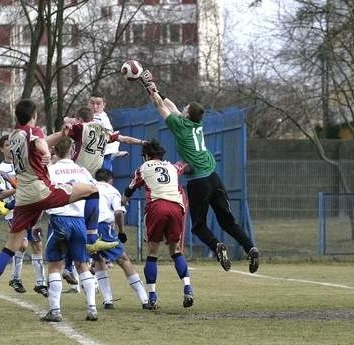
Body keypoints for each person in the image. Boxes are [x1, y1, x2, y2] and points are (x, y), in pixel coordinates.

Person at [0, 99, 98, 316]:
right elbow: (40, 143)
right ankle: (92, 233)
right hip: (42, 191)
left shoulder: (13, 136)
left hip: (23, 197)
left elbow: (41, 140)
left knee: (10, 247)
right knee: (90, 189)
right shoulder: (33, 131)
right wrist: (44, 151)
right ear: (33, 115)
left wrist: (61, 134)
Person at [140, 71, 259, 273]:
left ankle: (216, 246)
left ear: (187, 114)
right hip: (214, 176)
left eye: (185, 109)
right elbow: (172, 107)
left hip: (198, 182)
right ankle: (251, 248)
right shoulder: (196, 124)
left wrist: (147, 85)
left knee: (198, 226)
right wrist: (156, 87)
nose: (182, 109)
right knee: (227, 221)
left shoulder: (181, 126)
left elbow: (161, 106)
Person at [122, 140, 194, 309]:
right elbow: (188, 166)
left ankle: (152, 296)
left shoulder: (143, 168)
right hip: (176, 207)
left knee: (153, 252)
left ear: (146, 155)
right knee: (175, 250)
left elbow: (130, 189)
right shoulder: (173, 167)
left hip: (157, 207)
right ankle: (188, 288)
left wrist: (123, 200)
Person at [67, 106, 144, 253]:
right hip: (91, 178)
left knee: (74, 213)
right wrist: (142, 142)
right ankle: (91, 238)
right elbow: (124, 139)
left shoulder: (80, 127)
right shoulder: (103, 131)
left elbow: (66, 131)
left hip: (76, 175)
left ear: (80, 119)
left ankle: (79, 248)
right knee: (92, 201)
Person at [40, 136, 99, 322]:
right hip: (78, 221)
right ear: (73, 151)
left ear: (54, 151)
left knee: (54, 266)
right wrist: (91, 226)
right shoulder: (82, 171)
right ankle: (92, 308)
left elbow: (41, 195)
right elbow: (94, 194)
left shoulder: (50, 170)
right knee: (82, 265)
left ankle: (55, 311)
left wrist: (35, 222)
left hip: (59, 220)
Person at [0, 135, 48, 297]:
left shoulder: (23, 163)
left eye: (12, 145)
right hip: (14, 212)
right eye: (7, 145)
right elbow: (1, 195)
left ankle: (40, 283)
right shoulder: (0, 170)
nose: (10, 148)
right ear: (1, 148)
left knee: (37, 245)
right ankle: (15, 278)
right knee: (23, 245)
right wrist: (19, 189)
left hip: (32, 208)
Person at [92, 168, 150, 310]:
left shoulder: (89, 187)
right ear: (110, 179)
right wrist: (122, 232)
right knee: (123, 259)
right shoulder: (112, 190)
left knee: (98, 258)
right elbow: (118, 212)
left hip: (87, 226)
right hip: (103, 228)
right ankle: (144, 299)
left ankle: (107, 300)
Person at [88, 92, 128, 171]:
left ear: (104, 105)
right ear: (88, 103)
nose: (95, 107)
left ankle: (113, 152)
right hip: (94, 156)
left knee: (105, 178)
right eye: (92, 103)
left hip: (103, 155)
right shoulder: (92, 116)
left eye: (98, 104)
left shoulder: (103, 116)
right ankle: (113, 152)